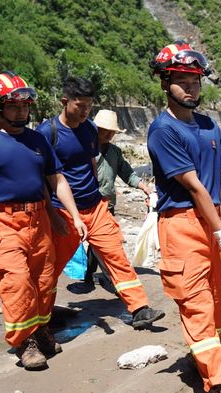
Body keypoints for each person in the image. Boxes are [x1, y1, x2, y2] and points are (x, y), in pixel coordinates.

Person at [0, 71, 88, 370]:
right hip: (1, 221)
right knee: (16, 282)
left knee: (43, 280)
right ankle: (23, 341)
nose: (21, 111)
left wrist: (74, 216)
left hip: (38, 218)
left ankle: (40, 329)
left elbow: (56, 179)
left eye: (25, 105)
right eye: (14, 105)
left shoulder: (38, 140)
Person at [146, 41, 221, 393]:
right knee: (197, 304)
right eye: (182, 80)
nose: (190, 87)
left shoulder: (209, 125)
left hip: (215, 220)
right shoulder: (162, 130)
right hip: (183, 225)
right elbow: (194, 187)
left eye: (195, 80)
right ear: (165, 83)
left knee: (217, 299)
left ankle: (202, 356)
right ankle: (220, 389)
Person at [37, 77, 164, 330]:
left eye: (89, 106)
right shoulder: (47, 133)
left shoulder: (88, 130)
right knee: (52, 266)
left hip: (95, 207)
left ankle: (139, 309)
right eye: (79, 105)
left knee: (116, 256)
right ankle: (41, 317)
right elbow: (41, 176)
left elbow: (90, 161)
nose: (84, 112)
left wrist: (96, 189)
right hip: (62, 210)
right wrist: (50, 214)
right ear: (65, 101)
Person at [83, 109, 153, 286]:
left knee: (98, 242)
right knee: (104, 242)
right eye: (104, 130)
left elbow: (127, 173)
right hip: (88, 204)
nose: (108, 134)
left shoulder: (114, 152)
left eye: (111, 131)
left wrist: (144, 187)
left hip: (107, 205)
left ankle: (90, 274)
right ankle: (111, 278)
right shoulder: (85, 149)